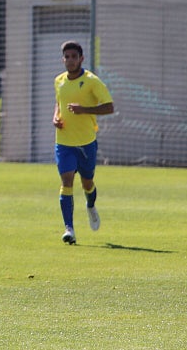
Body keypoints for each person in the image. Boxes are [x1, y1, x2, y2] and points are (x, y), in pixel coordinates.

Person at [53, 40, 114, 245]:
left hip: (86, 142)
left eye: (73, 57)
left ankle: (90, 205)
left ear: (81, 59)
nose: (70, 60)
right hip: (64, 142)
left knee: (87, 183)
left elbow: (109, 107)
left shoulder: (91, 81)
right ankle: (69, 229)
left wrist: (84, 109)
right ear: (63, 59)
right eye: (66, 57)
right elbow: (59, 103)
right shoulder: (59, 81)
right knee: (66, 181)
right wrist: (56, 117)